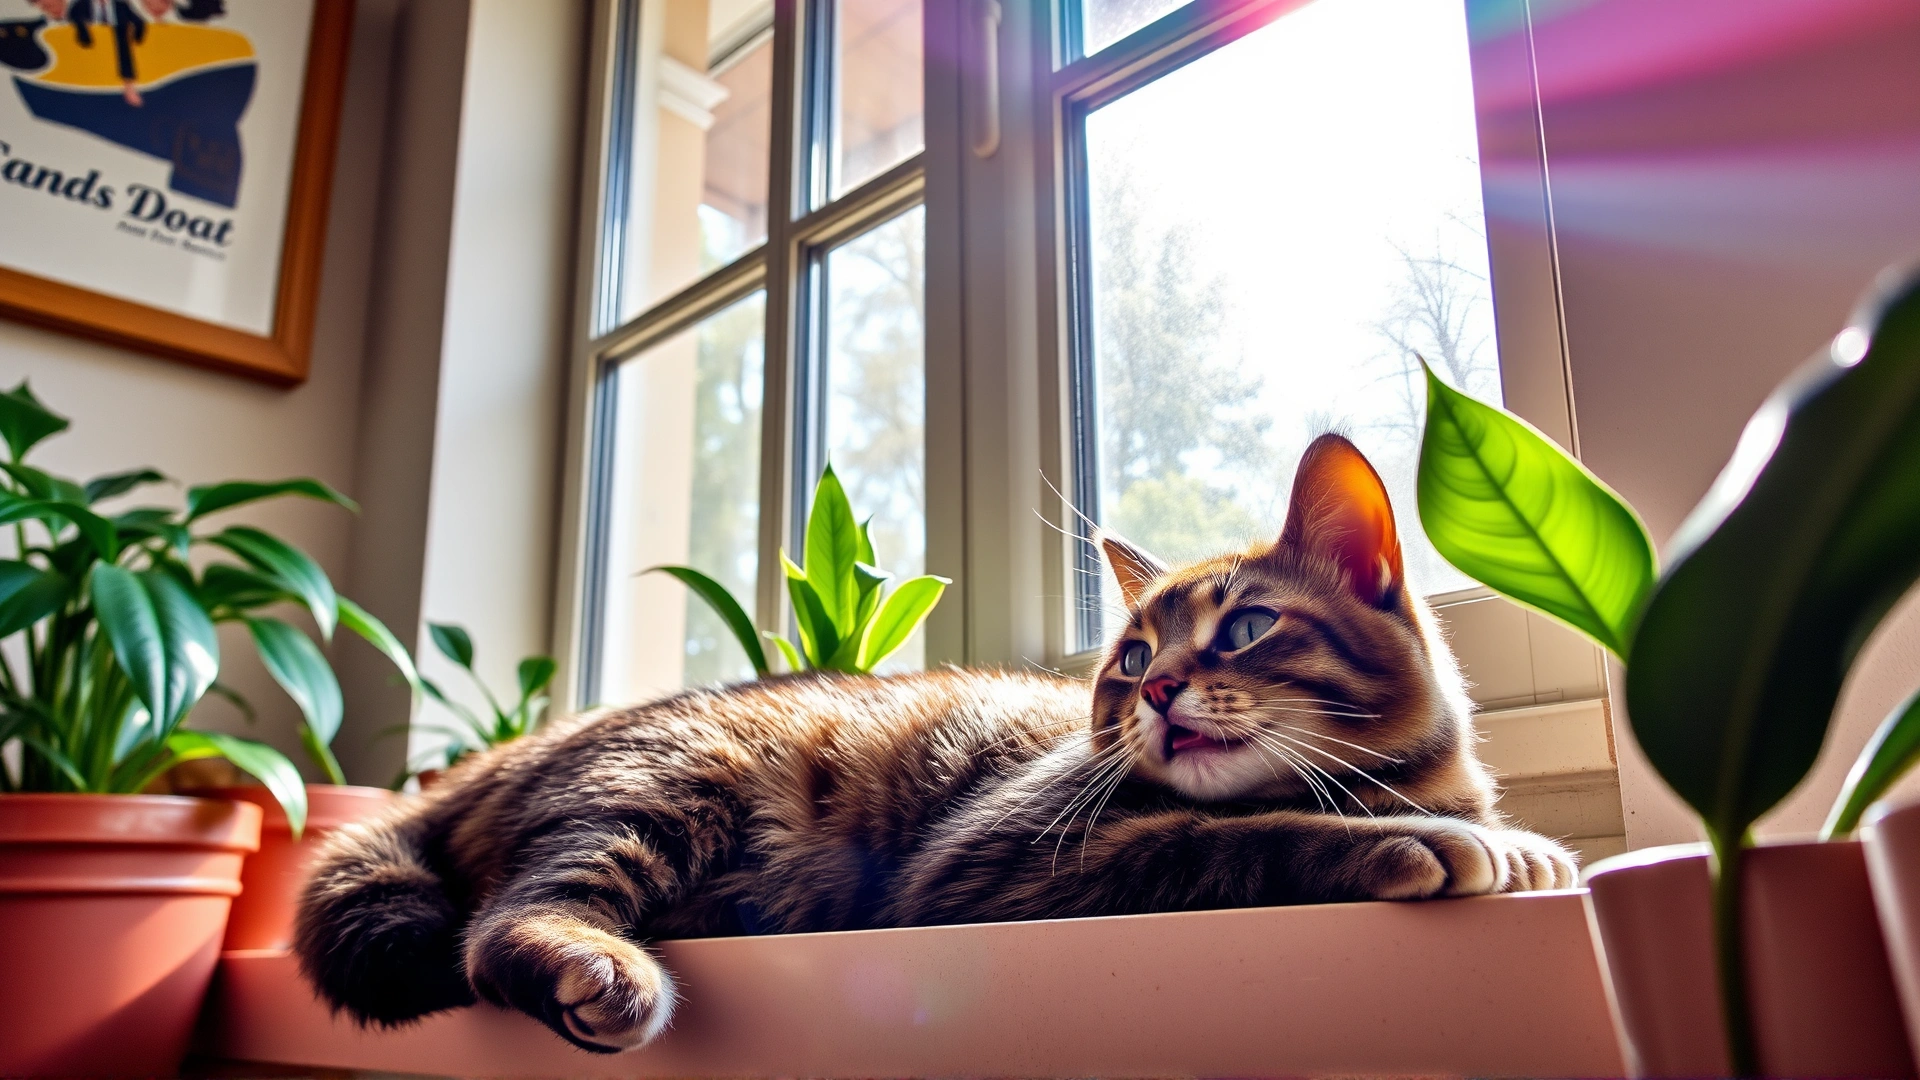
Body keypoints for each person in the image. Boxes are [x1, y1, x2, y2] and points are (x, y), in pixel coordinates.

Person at [27, 0, 172, 106]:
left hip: (119, 49)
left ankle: (128, 84)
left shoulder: (120, 5)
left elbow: (137, 20)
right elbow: (74, 20)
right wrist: (84, 31)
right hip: (89, 53)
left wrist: (138, 34)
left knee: (120, 33)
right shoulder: (82, 5)